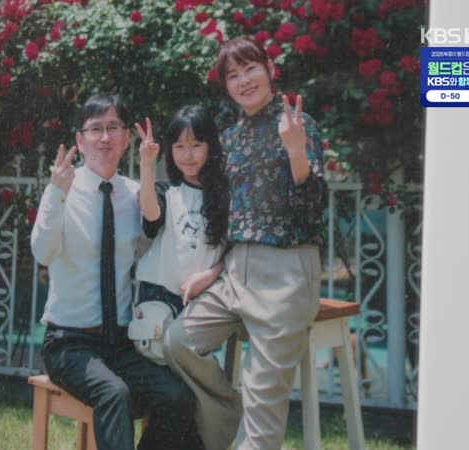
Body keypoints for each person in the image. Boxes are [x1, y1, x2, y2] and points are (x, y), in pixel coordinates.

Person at [163, 37, 328, 450]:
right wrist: (213, 272)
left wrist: (295, 152)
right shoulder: (230, 139)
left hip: (285, 273)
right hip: (234, 273)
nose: (243, 80)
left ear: (269, 69)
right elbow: (233, 220)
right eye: (233, 75)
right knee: (178, 342)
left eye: (250, 68)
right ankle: (228, 421)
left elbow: (312, 211)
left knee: (263, 402)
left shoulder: (299, 125)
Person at [31, 94, 202, 450]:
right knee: (114, 393)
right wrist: (55, 195)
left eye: (113, 128)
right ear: (80, 141)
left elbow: (158, 243)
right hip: (69, 342)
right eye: (95, 129)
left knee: (176, 396)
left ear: (126, 138)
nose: (105, 138)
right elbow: (42, 253)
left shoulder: (136, 194)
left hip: (122, 342)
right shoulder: (62, 190)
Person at [131, 106, 238, 450]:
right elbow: (151, 216)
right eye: (178, 146)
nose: (187, 155)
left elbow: (234, 254)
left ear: (210, 147)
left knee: (184, 398)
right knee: (176, 399)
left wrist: (209, 276)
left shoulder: (226, 196)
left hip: (200, 305)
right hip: (158, 304)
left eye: (195, 145)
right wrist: (146, 165)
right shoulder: (167, 192)